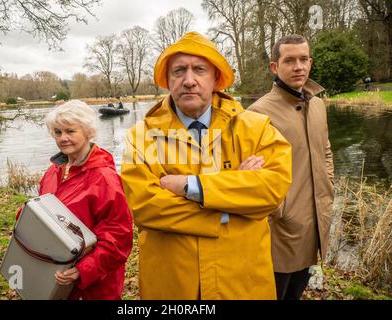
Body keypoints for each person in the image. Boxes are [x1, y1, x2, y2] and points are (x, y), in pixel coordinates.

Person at [120, 32, 292, 299]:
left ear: (215, 79)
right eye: (179, 71)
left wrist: (192, 186)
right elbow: (145, 208)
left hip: (241, 284)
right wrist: (231, 204)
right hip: (172, 287)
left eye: (199, 70)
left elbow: (273, 190)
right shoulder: (140, 137)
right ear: (168, 80)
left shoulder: (256, 128)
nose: (189, 80)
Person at [247, 34, 335, 300]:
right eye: (289, 60)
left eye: (303, 59)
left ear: (311, 62)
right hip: (281, 231)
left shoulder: (318, 105)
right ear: (275, 67)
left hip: (316, 221)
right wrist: (282, 211)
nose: (298, 66)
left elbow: (326, 151)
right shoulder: (257, 114)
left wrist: (328, 187)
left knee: (296, 292)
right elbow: (252, 175)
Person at [27, 99, 133, 299]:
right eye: (58, 132)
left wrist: (82, 270)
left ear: (88, 132)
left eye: (70, 131)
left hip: (94, 287)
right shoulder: (53, 171)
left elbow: (118, 237)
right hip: (56, 276)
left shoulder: (104, 178)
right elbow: (41, 216)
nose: (63, 138)